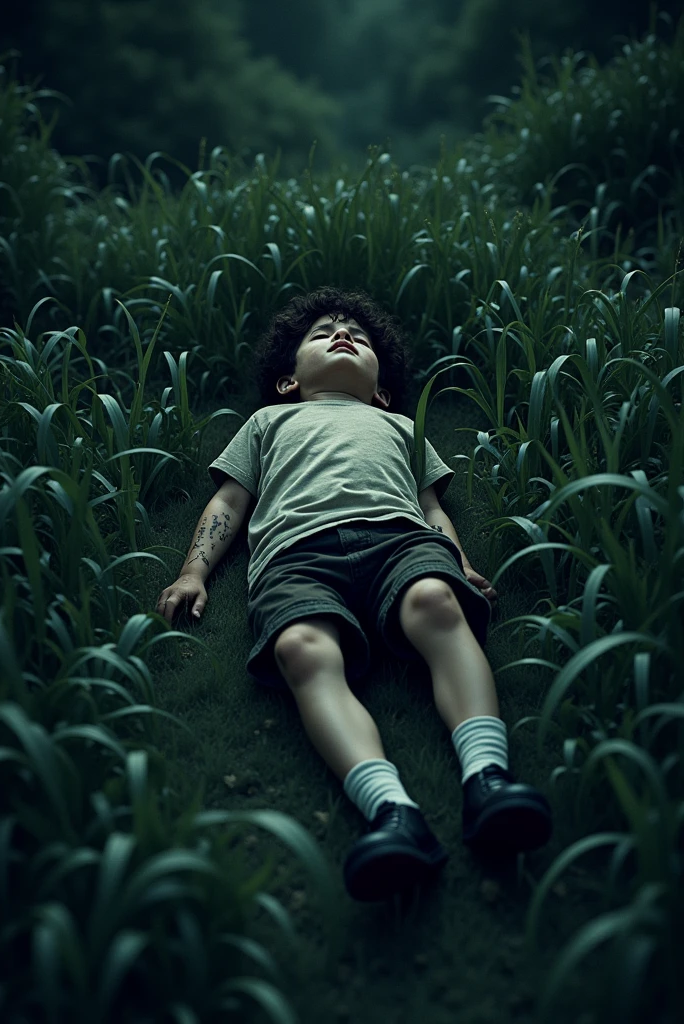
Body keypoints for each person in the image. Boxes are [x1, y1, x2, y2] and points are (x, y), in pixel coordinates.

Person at [156, 285, 553, 902]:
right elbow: (229, 500)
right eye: (322, 334)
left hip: (398, 538)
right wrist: (193, 573)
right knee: (301, 650)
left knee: (437, 604)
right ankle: (391, 811)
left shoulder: (398, 425)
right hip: (294, 556)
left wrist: (459, 561)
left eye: (358, 337)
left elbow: (431, 507)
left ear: (382, 389)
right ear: (288, 382)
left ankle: (488, 777)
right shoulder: (267, 421)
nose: (342, 335)